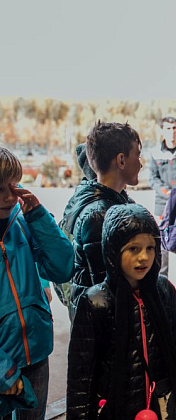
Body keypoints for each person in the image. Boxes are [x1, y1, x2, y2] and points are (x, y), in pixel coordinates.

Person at [67, 204, 176, 419]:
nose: (144, 257)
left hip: (162, 405)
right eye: (133, 249)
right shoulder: (95, 301)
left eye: (150, 248)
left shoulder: (163, 290)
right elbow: (80, 379)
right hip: (116, 409)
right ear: (113, 250)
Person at [0, 146, 74, 419]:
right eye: (0, 190)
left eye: (14, 186)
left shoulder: (24, 221)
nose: (9, 197)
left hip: (35, 353)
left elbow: (63, 267)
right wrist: (4, 372)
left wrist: (39, 217)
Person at [61, 121, 142, 320]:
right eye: (138, 155)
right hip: (105, 327)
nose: (141, 164)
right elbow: (107, 288)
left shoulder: (104, 202)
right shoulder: (98, 215)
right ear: (121, 160)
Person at [148, 117, 176, 277]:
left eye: (174, 128)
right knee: (162, 246)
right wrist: (168, 193)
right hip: (163, 206)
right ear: (161, 130)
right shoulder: (155, 153)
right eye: (168, 128)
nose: (172, 132)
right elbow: (153, 178)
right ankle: (162, 286)